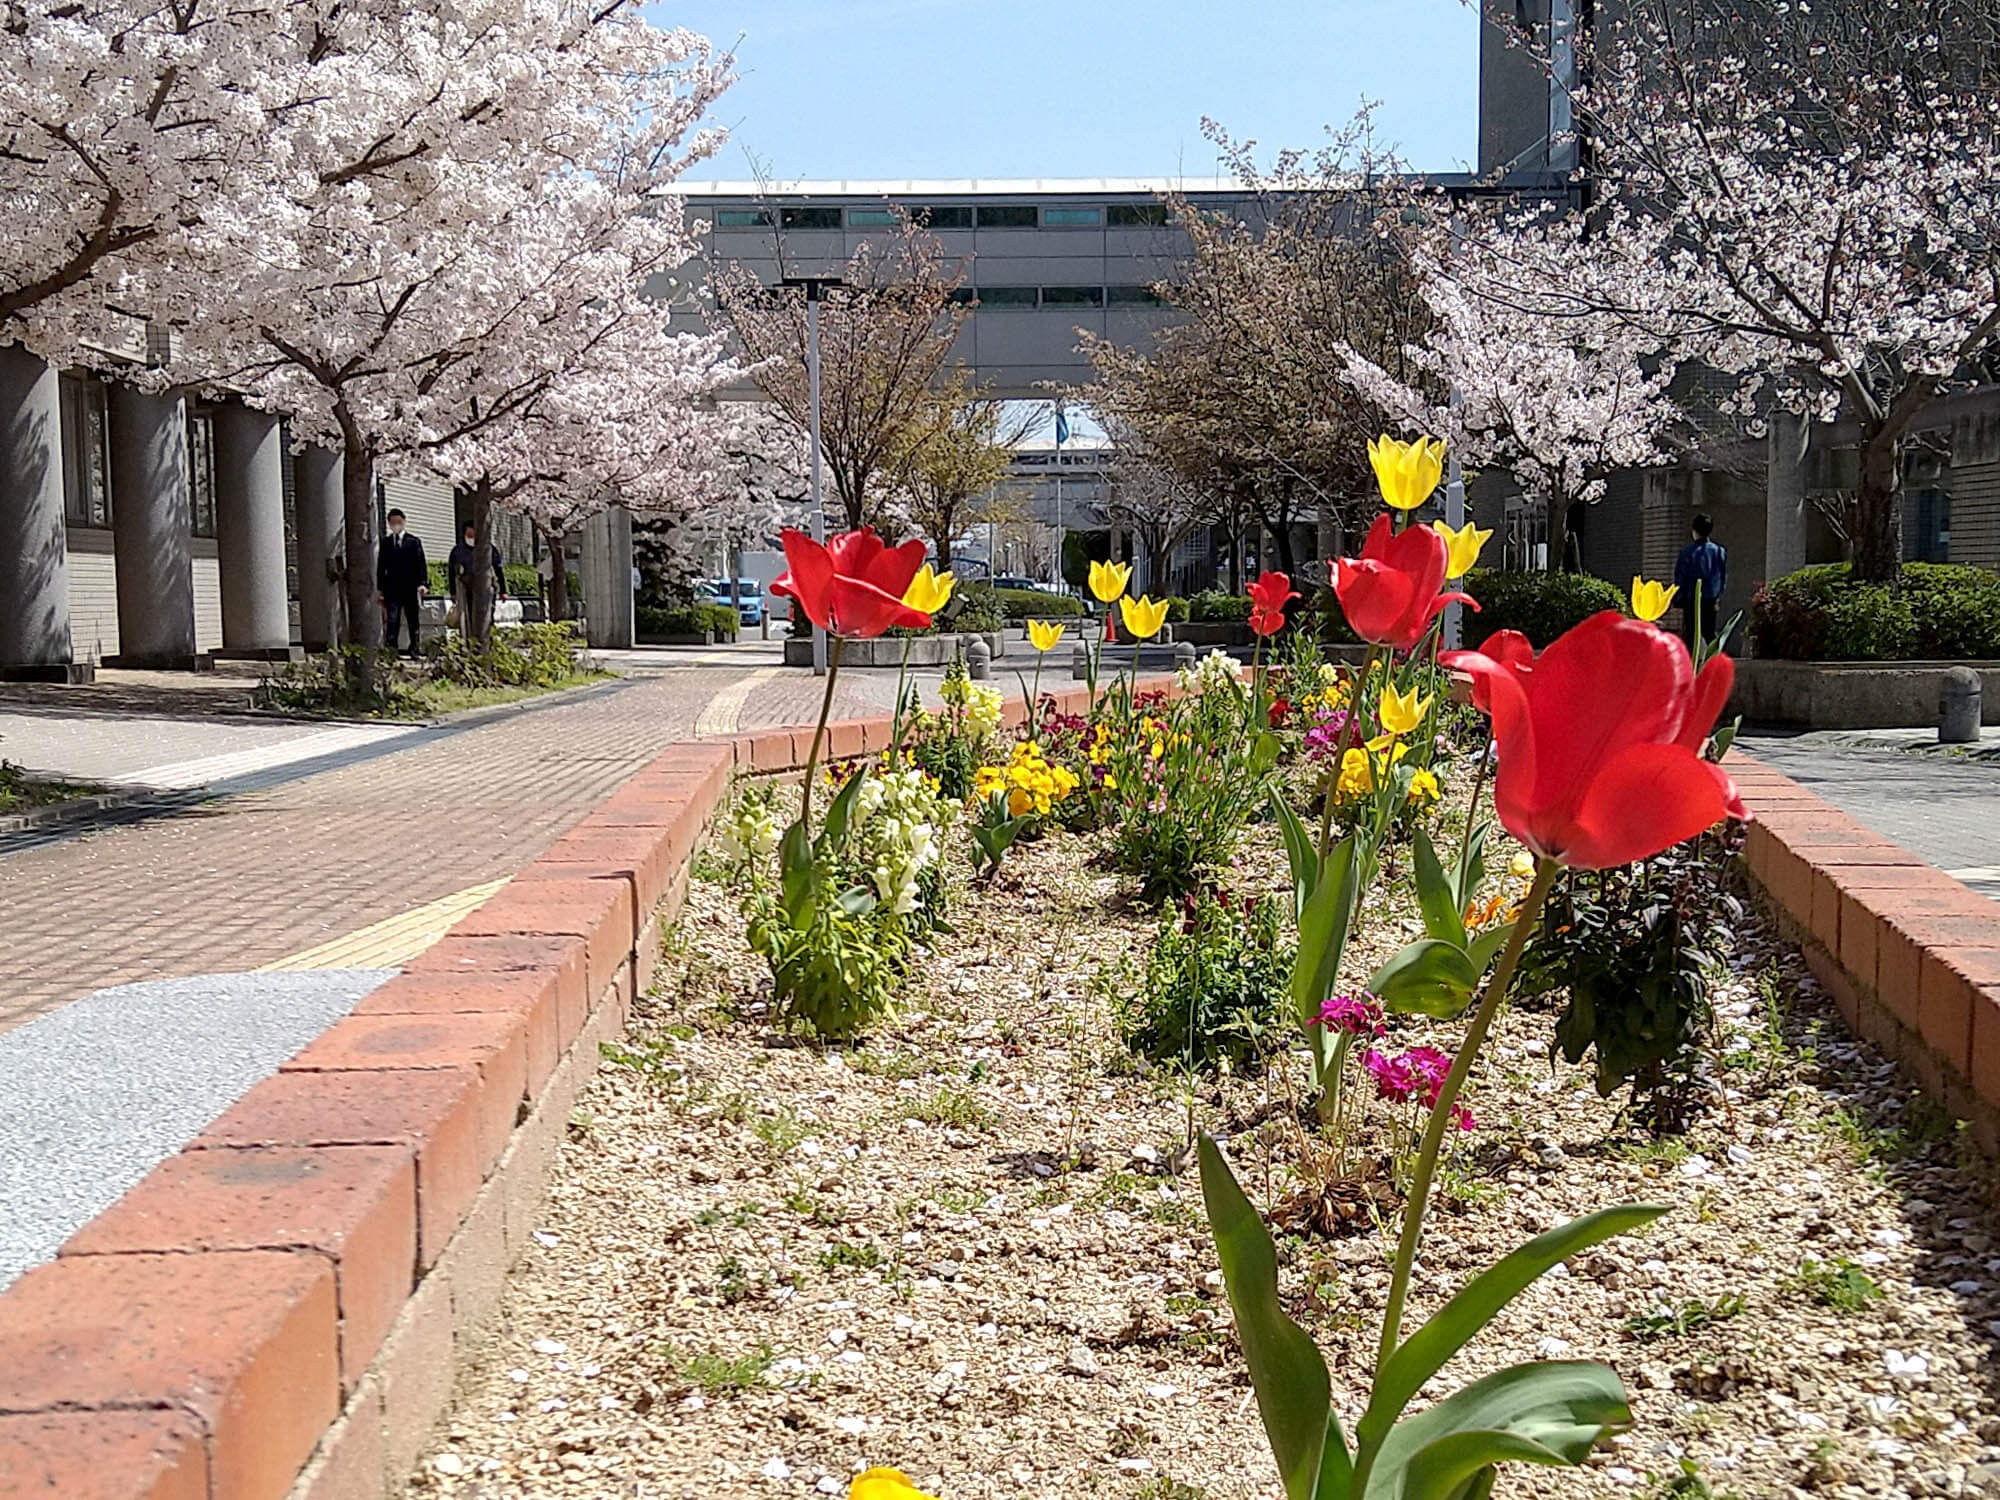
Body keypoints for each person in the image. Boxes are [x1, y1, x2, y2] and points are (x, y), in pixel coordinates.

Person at [1672, 512, 1728, 652]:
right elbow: (1722, 576)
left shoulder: (1687, 552)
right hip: (1711, 599)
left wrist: (1678, 598)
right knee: (1709, 633)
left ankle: (1689, 668)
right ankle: (1718, 661)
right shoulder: (1719, 551)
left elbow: (1681, 576)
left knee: (1690, 636)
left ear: (1694, 531)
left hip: (1691, 600)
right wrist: (1718, 595)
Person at [376, 508, 427, 659]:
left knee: (413, 620)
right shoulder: (385, 543)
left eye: (399, 522)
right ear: (389, 523)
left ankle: (414, 649)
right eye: (393, 522)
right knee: (392, 620)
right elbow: (381, 567)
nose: (396, 525)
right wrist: (380, 589)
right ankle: (391, 651)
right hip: (392, 588)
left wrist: (422, 583)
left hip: (410, 587)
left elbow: (420, 564)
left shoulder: (413, 542)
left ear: (404, 522)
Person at [447, 522, 505, 637]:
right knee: (467, 617)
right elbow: (451, 571)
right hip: (466, 588)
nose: (471, 536)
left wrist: (503, 590)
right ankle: (469, 642)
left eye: (473, 533)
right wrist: (453, 592)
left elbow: (498, 569)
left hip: (486, 588)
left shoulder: (488, 548)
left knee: (487, 616)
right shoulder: (458, 550)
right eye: (469, 534)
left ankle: (487, 642)